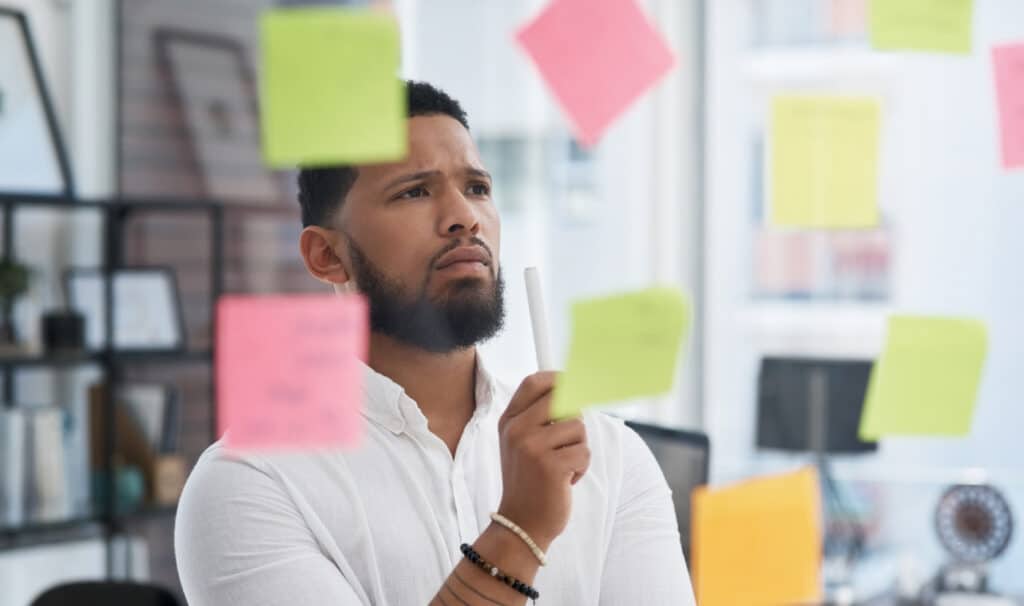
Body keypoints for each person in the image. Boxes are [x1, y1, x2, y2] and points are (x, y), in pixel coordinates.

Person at [175, 80, 695, 606]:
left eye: (478, 188)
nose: (464, 217)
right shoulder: (249, 485)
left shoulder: (611, 457)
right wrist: (521, 530)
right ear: (326, 256)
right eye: (415, 191)